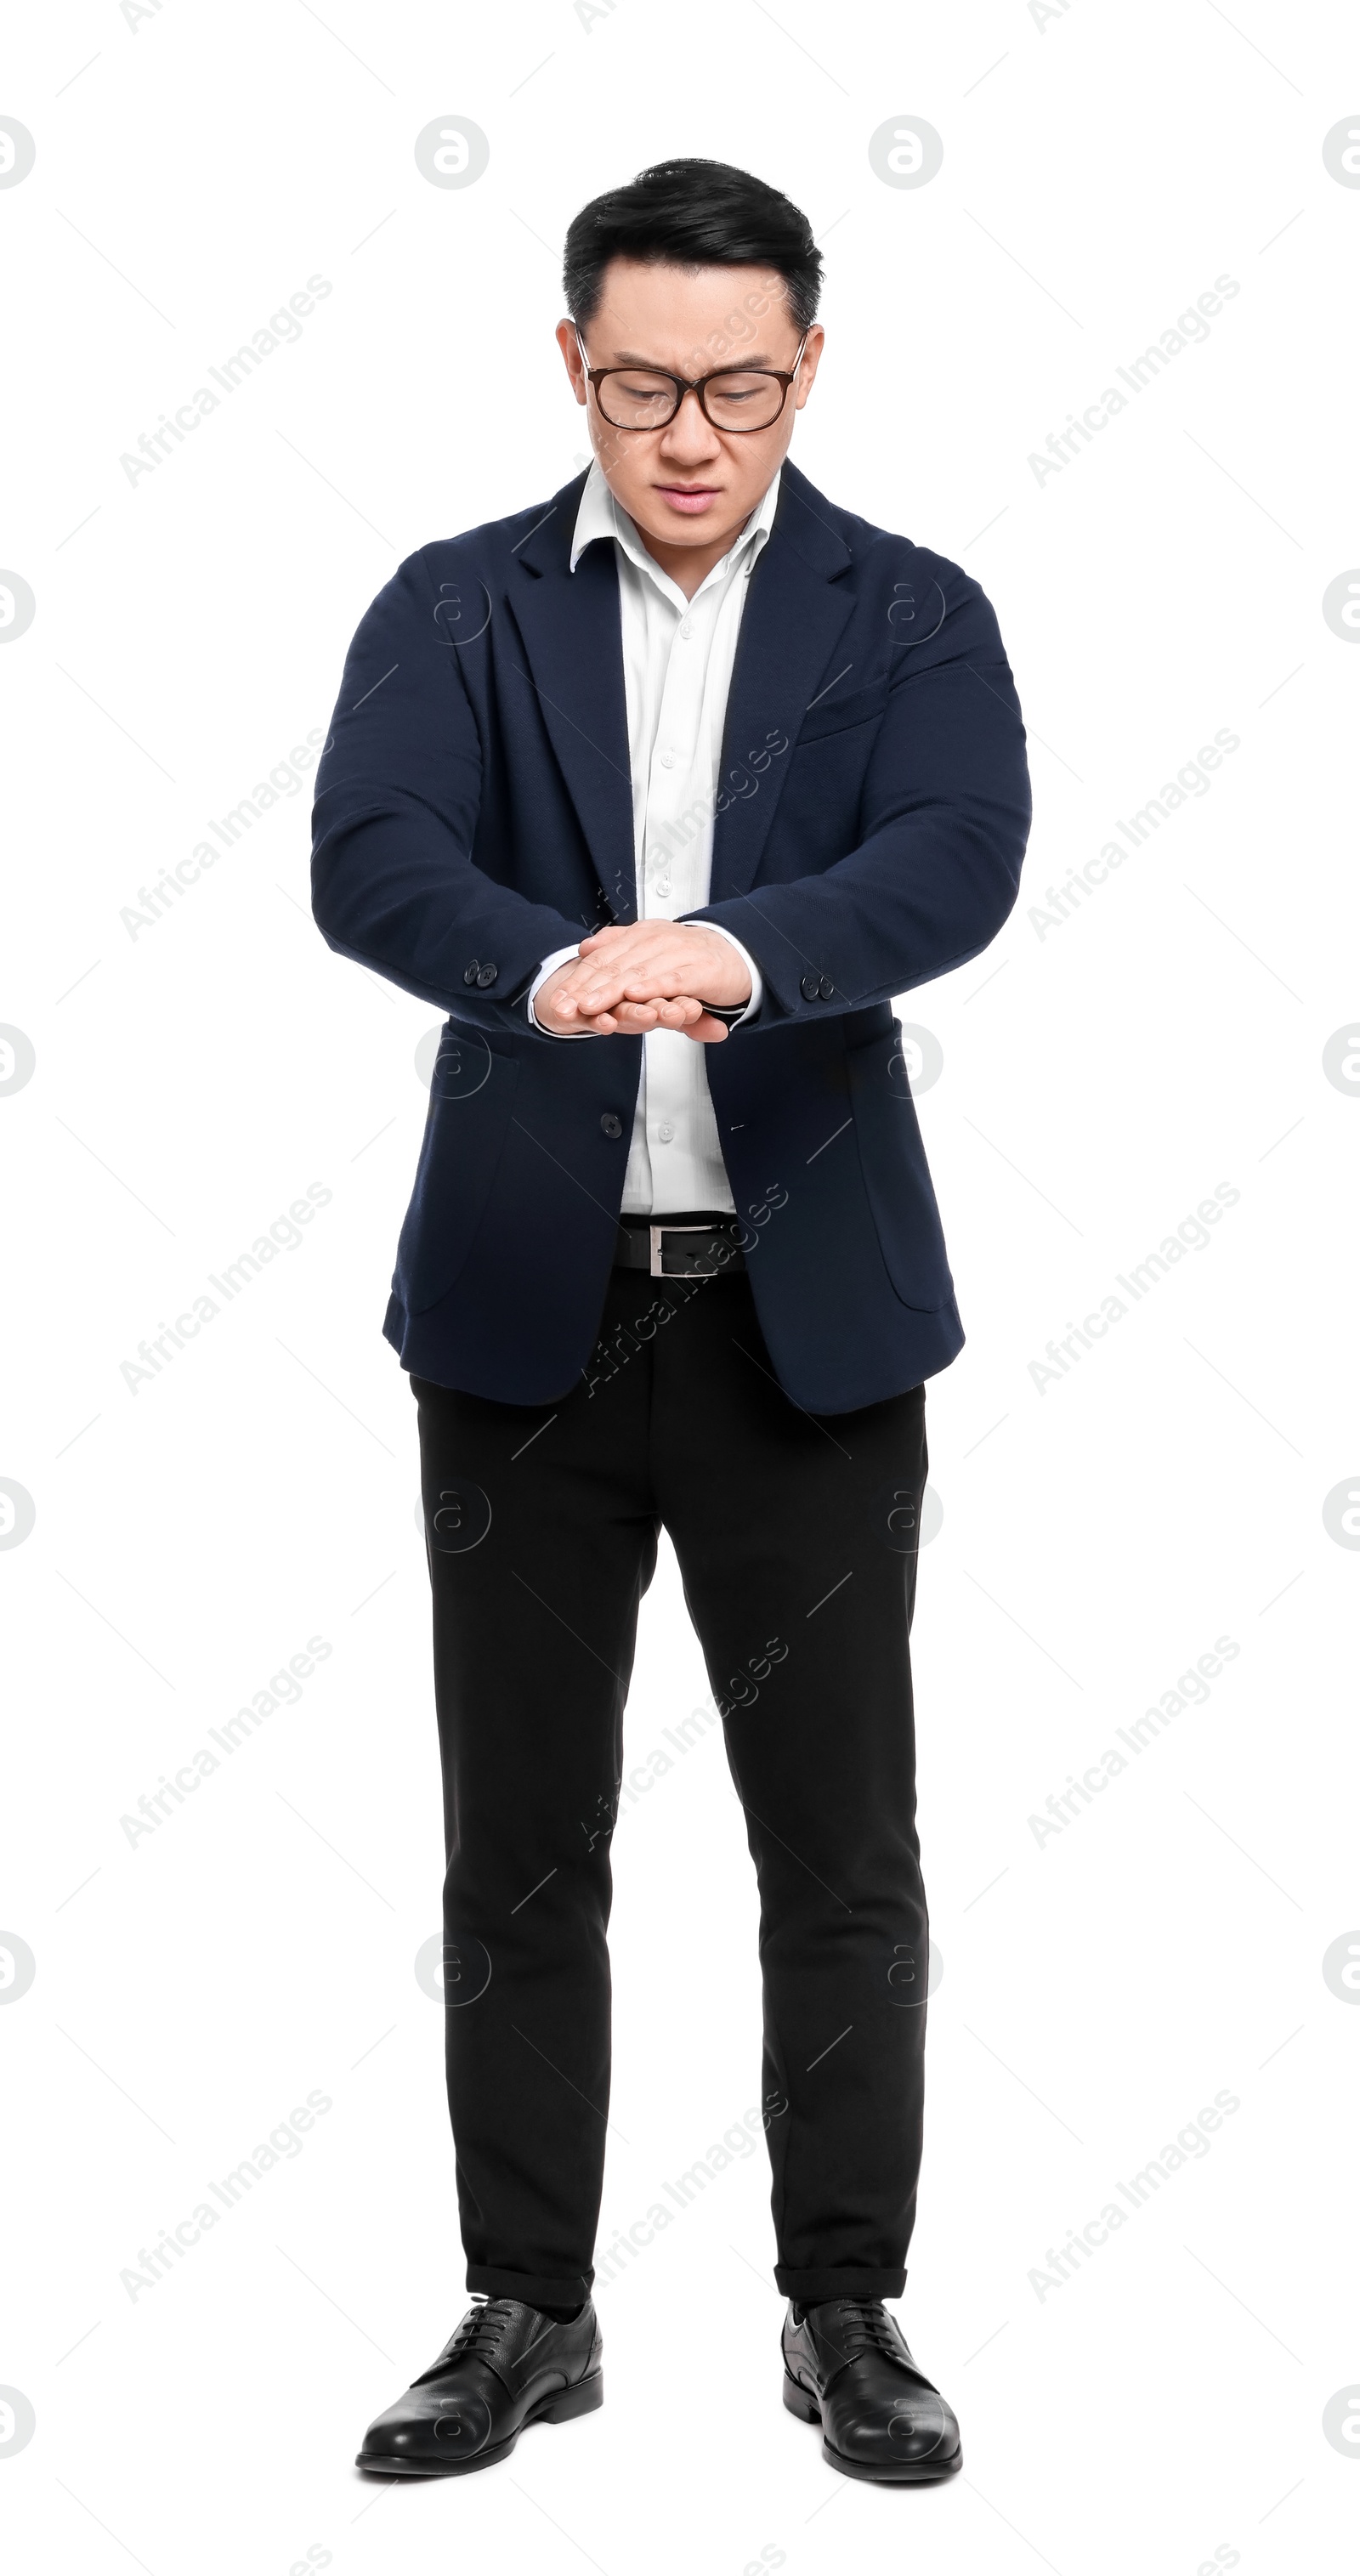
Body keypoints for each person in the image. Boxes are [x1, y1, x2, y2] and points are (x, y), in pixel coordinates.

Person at [311, 156, 1031, 2486]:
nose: (692, 432)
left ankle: (848, 2307)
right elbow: (374, 848)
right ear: (573, 370)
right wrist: (547, 966)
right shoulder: (455, 606)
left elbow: (957, 851)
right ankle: (527, 2309)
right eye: (644, 384)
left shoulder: (910, 613)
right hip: (527, 1322)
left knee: (842, 1847)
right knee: (515, 1850)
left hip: (801, 1335)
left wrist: (729, 950)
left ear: (809, 369)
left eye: (738, 383)